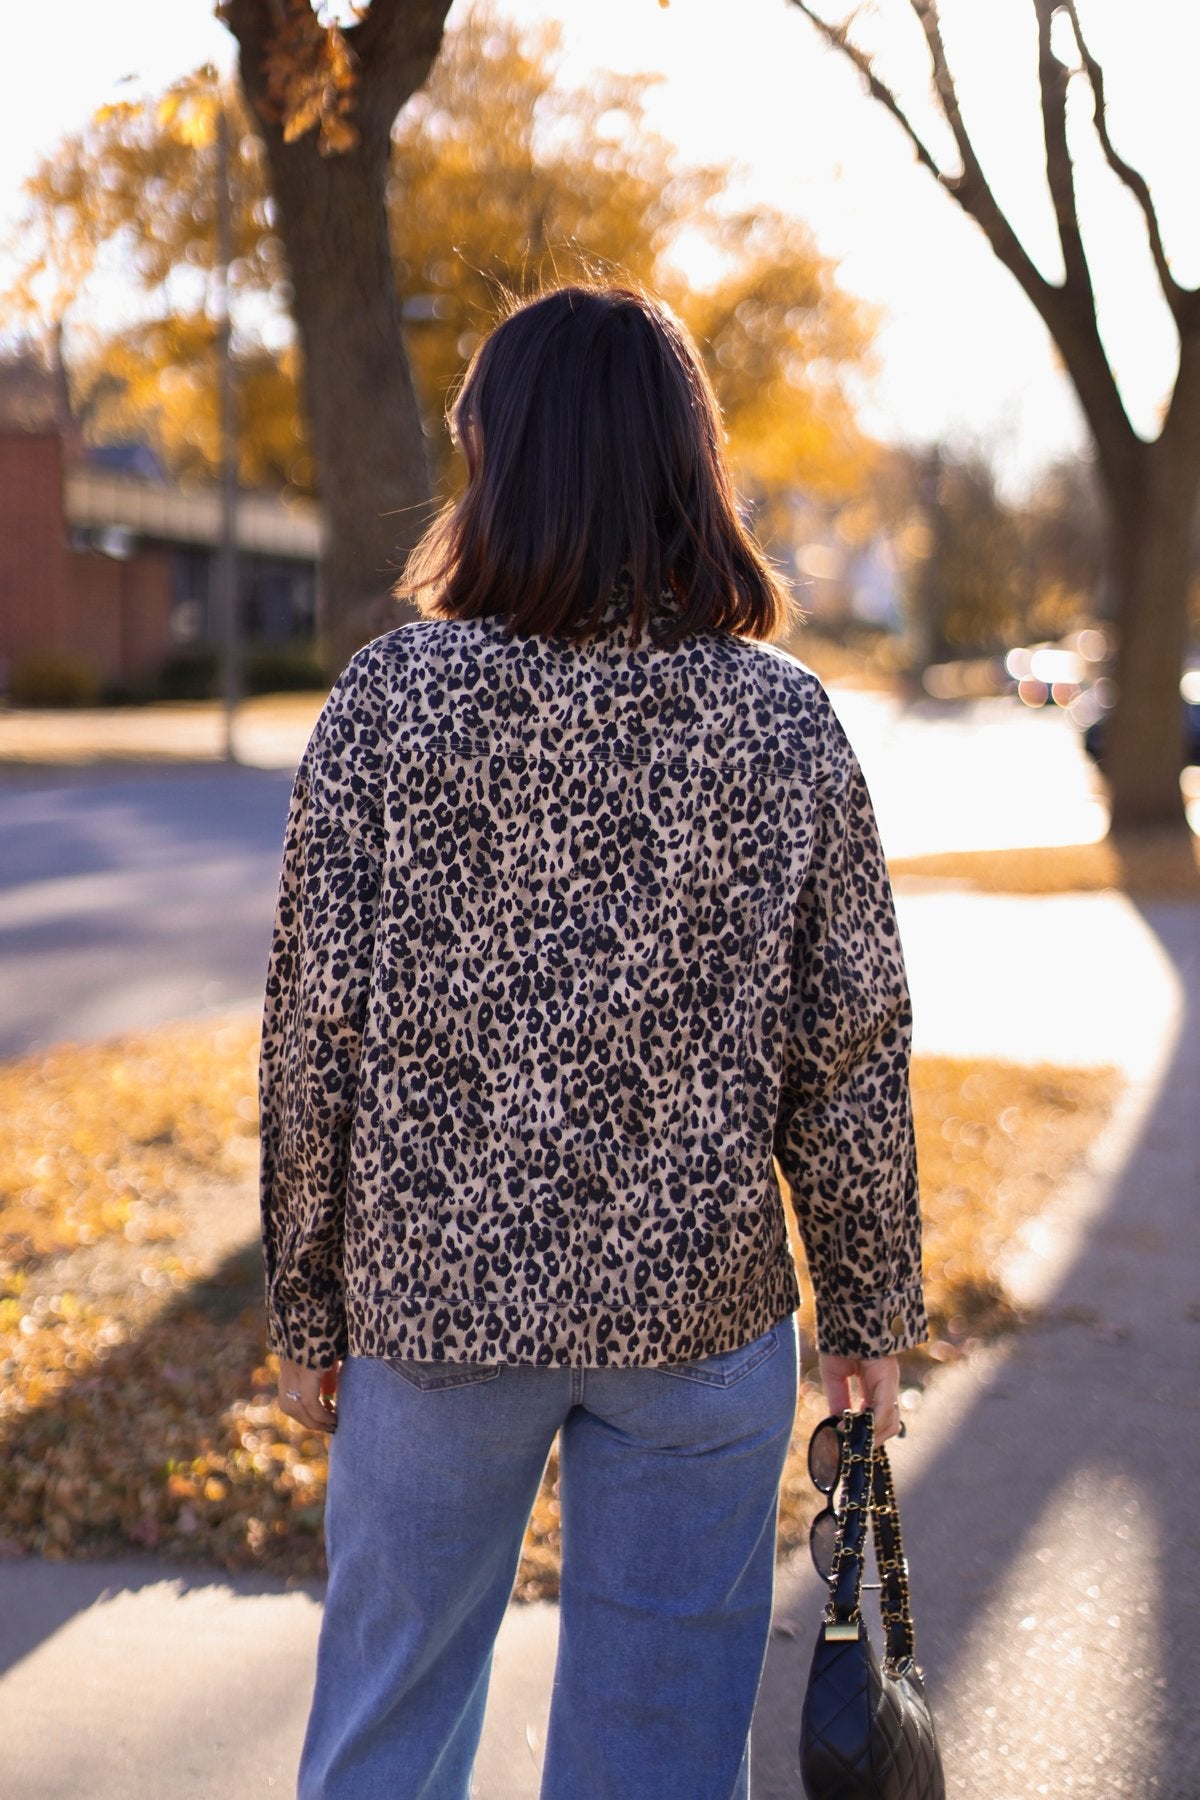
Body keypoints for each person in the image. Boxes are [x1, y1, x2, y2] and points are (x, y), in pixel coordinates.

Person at [258, 281, 928, 1800]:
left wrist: (309, 1300)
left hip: (433, 1305)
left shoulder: (386, 704)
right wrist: (867, 1305)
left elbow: (313, 1027)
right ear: (687, 466)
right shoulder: (780, 721)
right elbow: (851, 1044)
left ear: (499, 458)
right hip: (695, 1309)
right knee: (662, 1761)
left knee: (388, 1726)